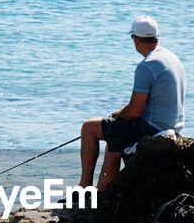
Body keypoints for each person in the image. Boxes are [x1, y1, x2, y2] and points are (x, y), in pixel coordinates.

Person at [78, 16, 185, 191]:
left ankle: (83, 187)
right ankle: (102, 190)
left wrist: (118, 114)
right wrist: (119, 117)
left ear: (135, 39)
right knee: (114, 137)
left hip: (152, 128)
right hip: (172, 126)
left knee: (89, 128)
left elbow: (134, 111)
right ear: (156, 36)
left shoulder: (147, 65)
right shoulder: (171, 58)